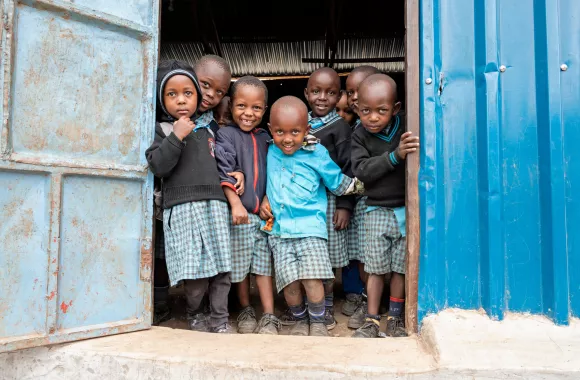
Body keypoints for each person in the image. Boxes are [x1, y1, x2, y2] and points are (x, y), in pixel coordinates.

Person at [260, 96, 362, 337]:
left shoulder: (317, 152)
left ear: (306, 130)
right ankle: (299, 319)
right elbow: (262, 179)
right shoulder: (269, 151)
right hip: (279, 231)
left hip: (311, 229)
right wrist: (264, 197)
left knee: (312, 279)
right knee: (290, 283)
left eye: (295, 132)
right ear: (270, 130)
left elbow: (337, 182)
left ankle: (317, 321)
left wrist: (364, 186)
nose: (287, 139)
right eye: (280, 132)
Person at [145, 60, 233, 334]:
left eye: (188, 93)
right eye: (172, 94)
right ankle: (196, 315)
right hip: (181, 208)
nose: (181, 100)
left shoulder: (210, 128)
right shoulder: (162, 130)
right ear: (162, 99)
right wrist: (176, 137)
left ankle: (220, 319)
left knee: (221, 268)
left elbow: (224, 161)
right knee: (193, 271)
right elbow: (158, 166)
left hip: (215, 206)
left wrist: (236, 174)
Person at [350, 74, 419, 338]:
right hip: (375, 210)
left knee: (400, 268)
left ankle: (395, 318)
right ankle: (371, 319)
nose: (373, 118)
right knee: (375, 268)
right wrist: (394, 155)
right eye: (366, 111)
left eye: (382, 111)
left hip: (405, 210)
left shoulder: (406, 127)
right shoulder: (358, 136)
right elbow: (362, 170)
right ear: (358, 108)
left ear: (396, 109)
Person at [215, 76, 281, 335]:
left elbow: (276, 172)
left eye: (256, 108)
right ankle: (245, 308)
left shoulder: (267, 138)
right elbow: (224, 168)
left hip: (263, 216)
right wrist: (236, 204)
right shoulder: (225, 135)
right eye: (242, 106)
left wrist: (268, 199)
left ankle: (269, 314)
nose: (248, 113)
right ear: (231, 105)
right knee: (241, 267)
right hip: (240, 217)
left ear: (265, 110)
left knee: (264, 266)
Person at [304, 67, 354, 330]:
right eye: (316, 91)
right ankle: (314, 303)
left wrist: (345, 206)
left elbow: (349, 168)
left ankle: (327, 307)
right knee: (312, 251)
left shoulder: (340, 127)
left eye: (330, 93)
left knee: (330, 257)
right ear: (306, 93)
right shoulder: (299, 125)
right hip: (306, 201)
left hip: (332, 201)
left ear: (339, 97)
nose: (322, 97)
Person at [343, 65, 381, 329]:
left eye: (361, 89)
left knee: (372, 257)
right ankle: (364, 298)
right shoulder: (354, 127)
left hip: (380, 201)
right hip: (359, 202)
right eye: (350, 92)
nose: (355, 96)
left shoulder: (381, 124)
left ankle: (372, 305)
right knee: (359, 253)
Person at [193, 55, 232, 134]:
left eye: (219, 92)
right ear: (192, 77)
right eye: (206, 84)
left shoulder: (214, 129)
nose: (211, 94)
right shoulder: (170, 113)